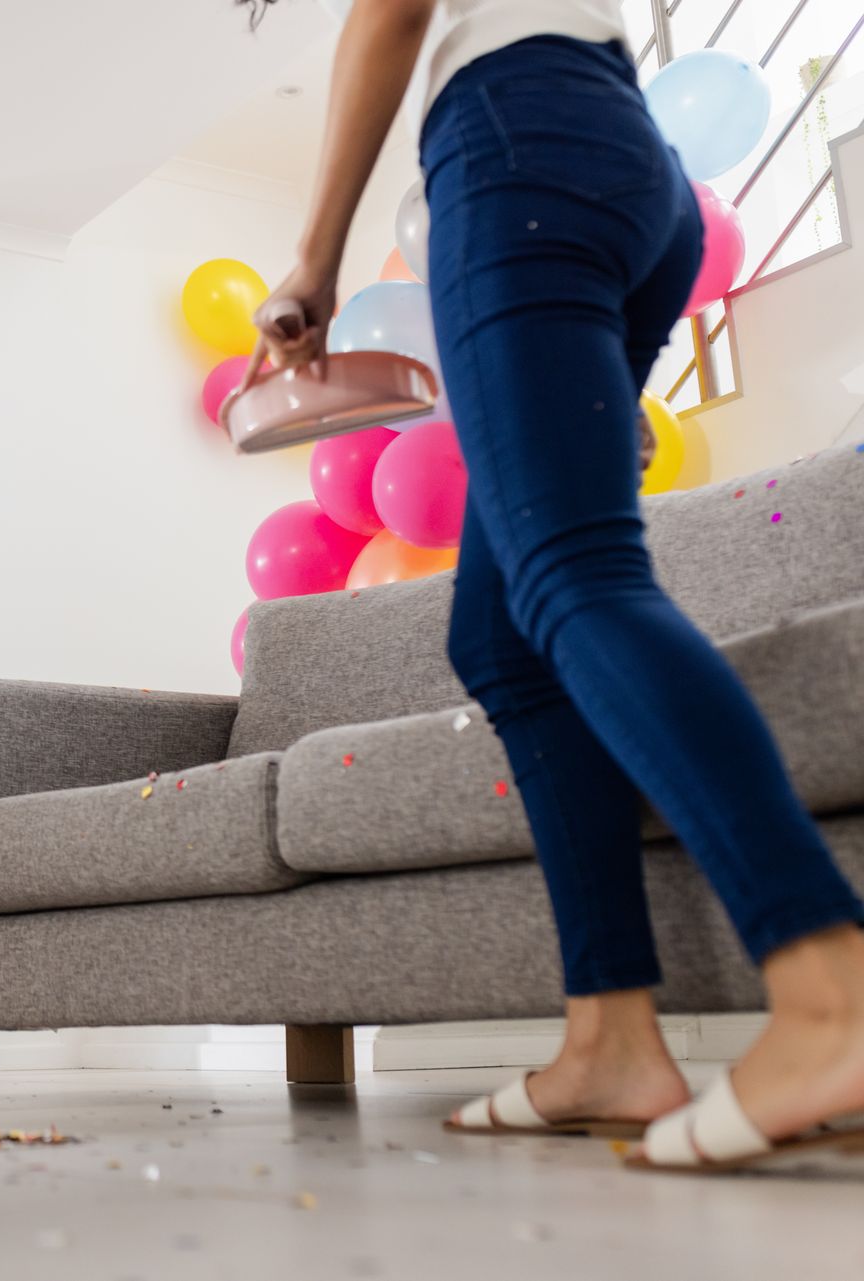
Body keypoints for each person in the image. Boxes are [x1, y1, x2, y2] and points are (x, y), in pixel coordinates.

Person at [244, 0, 864, 1170]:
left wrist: (313, 264)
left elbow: (392, 11)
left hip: (516, 142)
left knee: (576, 577)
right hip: (617, 163)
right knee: (499, 633)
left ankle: (831, 990)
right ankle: (611, 1040)